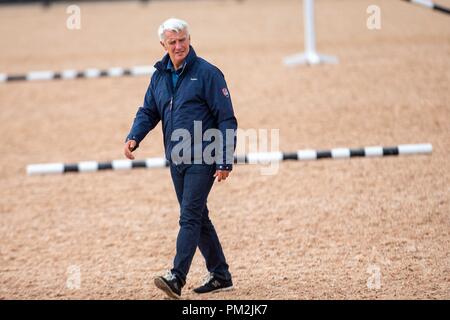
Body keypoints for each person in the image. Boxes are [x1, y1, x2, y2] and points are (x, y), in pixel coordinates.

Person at [124, 18, 237, 299]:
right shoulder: (159, 76)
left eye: (183, 40)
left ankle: (177, 276)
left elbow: (226, 119)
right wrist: (134, 136)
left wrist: (224, 160)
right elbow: (149, 111)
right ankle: (220, 275)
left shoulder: (209, 74)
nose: (179, 46)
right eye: (172, 42)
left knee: (188, 217)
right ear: (163, 44)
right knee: (199, 217)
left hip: (204, 156)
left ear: (190, 39)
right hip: (176, 159)